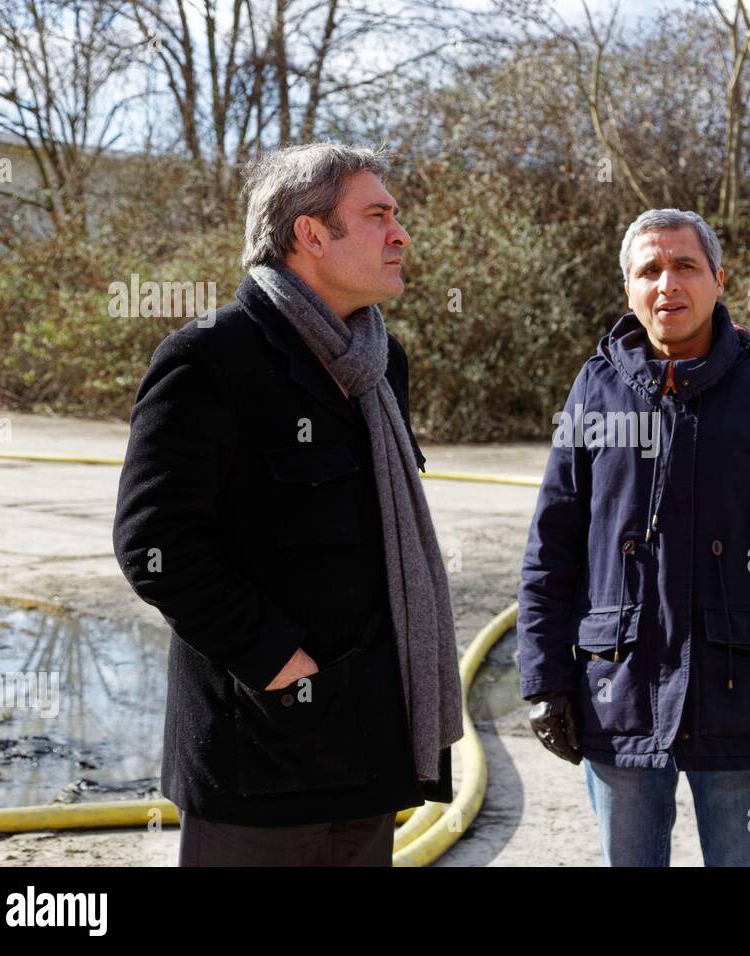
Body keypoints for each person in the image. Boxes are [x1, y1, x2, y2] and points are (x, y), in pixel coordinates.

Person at [112, 143, 463, 866]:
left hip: (370, 746)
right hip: (260, 759)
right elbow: (157, 545)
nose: (400, 234)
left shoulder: (379, 361)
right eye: (377, 216)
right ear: (309, 233)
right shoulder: (210, 357)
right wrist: (282, 666)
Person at [519, 208, 750, 866]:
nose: (666, 285)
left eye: (684, 266)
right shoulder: (595, 389)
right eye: (648, 270)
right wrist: (544, 679)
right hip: (618, 693)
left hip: (742, 698)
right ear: (627, 287)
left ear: (718, 278)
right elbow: (551, 547)